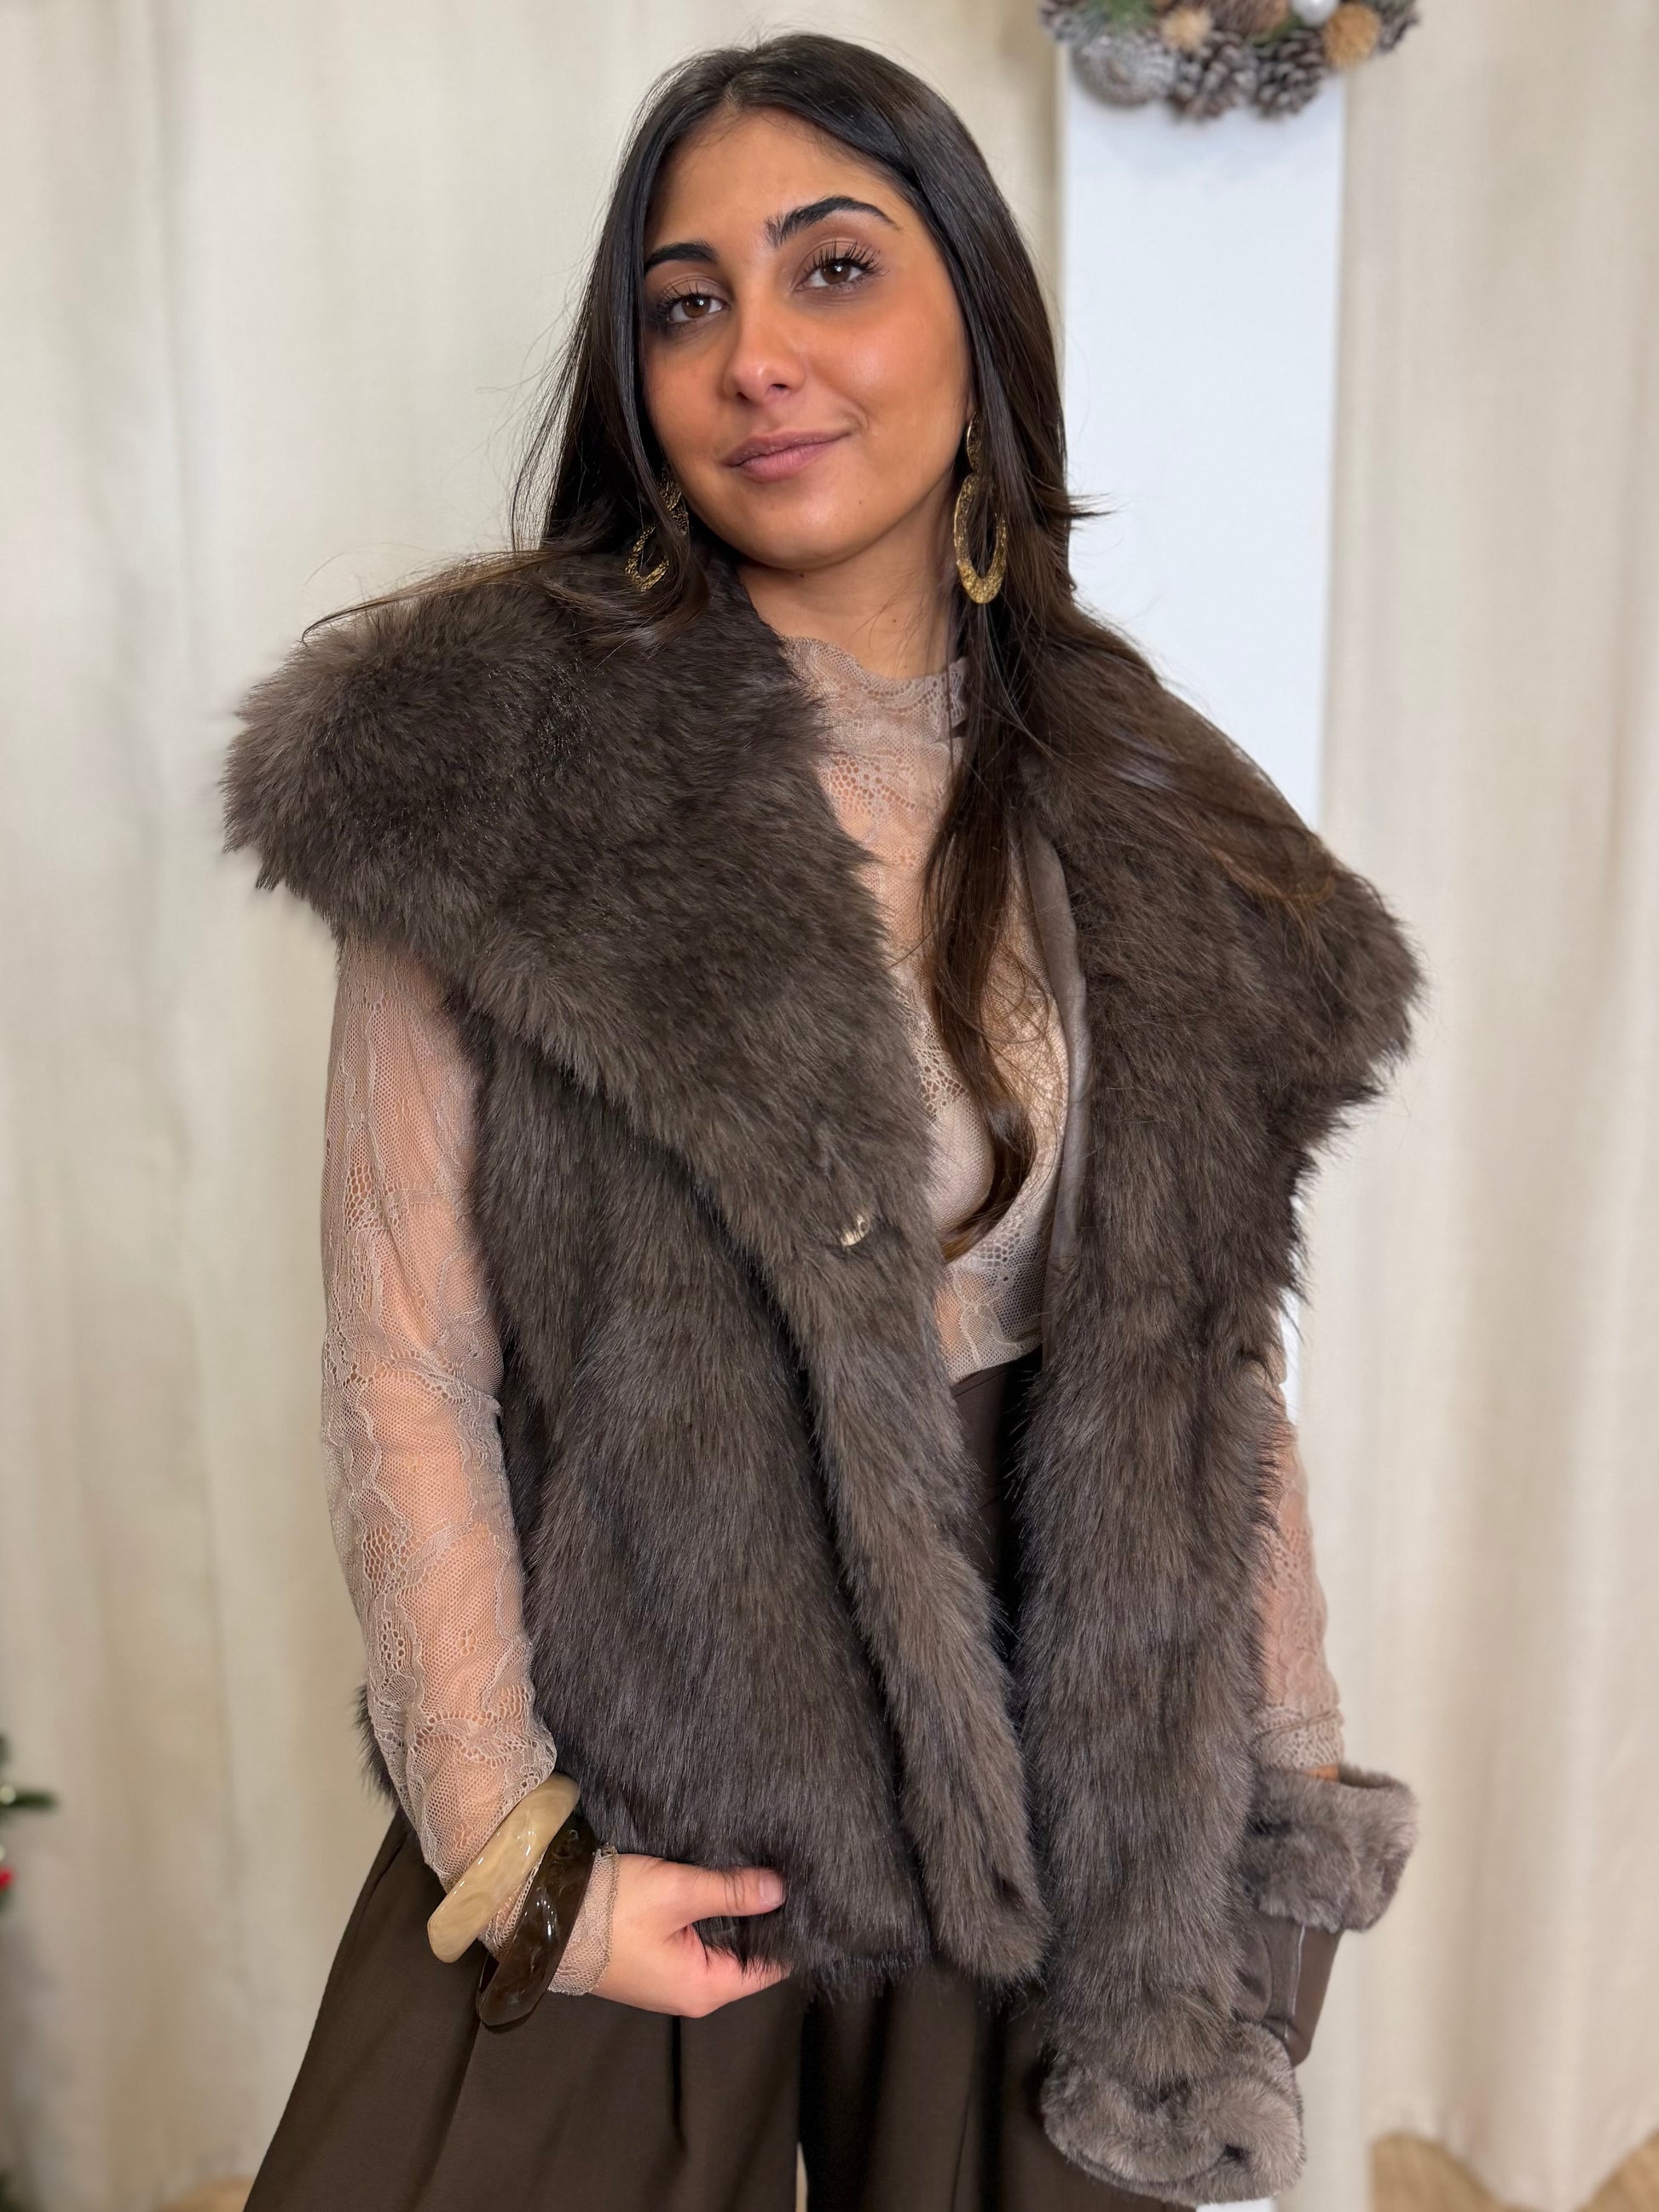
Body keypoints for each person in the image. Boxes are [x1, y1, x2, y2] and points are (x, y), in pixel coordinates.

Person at [223, 32, 1420, 2212]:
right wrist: (515, 1851)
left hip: (1058, 1755)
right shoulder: (489, 763)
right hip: (654, 1723)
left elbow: (1202, 1355)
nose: (754, 354)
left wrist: (1278, 1781)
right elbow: (406, 1349)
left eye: (832, 268)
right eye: (685, 303)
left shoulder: (1152, 808)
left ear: (974, 314)